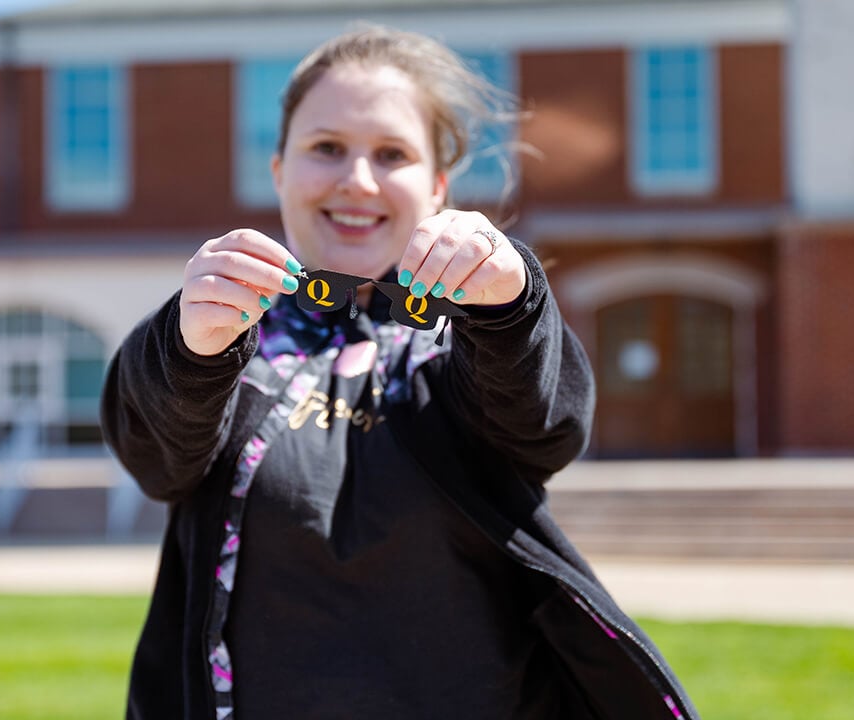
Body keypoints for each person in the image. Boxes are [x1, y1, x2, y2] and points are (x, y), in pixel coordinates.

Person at [101, 25, 697, 720]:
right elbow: (153, 459)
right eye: (327, 148)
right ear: (278, 170)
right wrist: (188, 345)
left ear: (438, 188)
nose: (357, 180)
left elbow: (546, 426)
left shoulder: (468, 336)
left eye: (392, 154)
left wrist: (512, 304)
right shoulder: (225, 332)